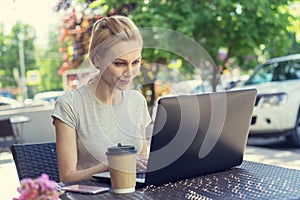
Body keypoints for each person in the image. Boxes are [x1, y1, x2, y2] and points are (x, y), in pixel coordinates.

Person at [51, 15, 152, 182]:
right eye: (119, 63)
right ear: (97, 59)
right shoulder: (70, 105)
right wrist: (113, 164)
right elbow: (67, 177)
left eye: (136, 62)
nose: (129, 72)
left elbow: (141, 166)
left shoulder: (137, 102)